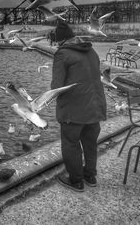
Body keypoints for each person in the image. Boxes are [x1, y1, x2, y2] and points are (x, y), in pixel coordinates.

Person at [50, 20, 107, 192]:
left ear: (60, 40)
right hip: (95, 106)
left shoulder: (62, 54)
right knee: (90, 143)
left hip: (74, 110)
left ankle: (76, 180)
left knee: (70, 143)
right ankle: (90, 176)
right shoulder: (91, 51)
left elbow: (56, 86)